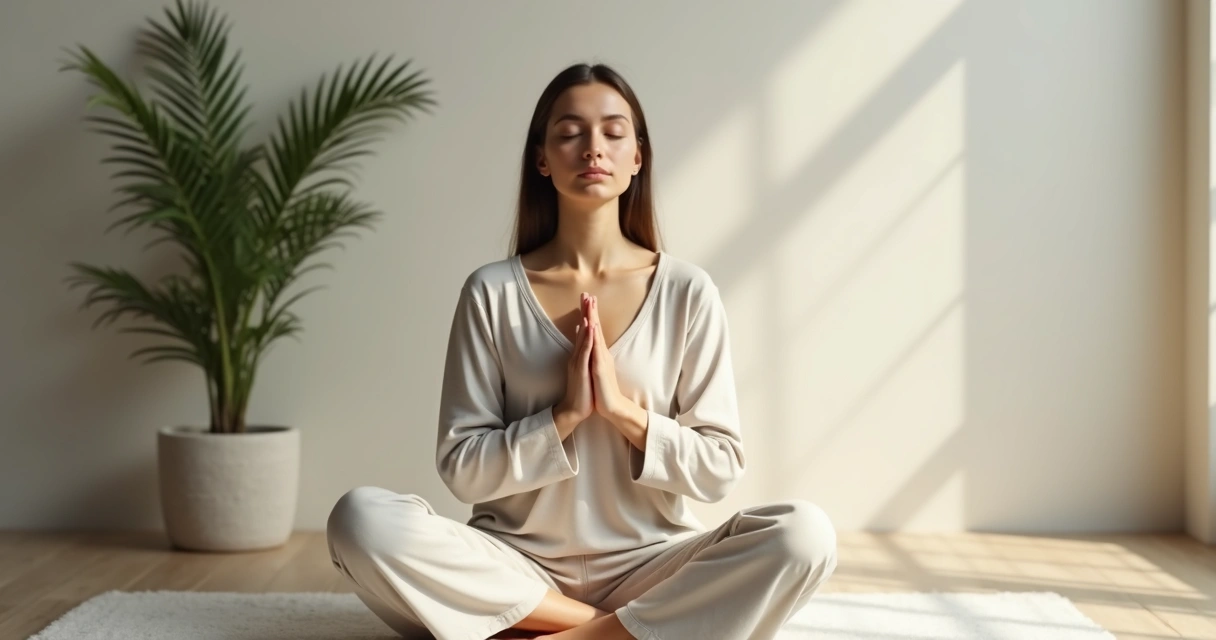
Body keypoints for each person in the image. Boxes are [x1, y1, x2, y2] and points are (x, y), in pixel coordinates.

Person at [326, 62, 838, 640]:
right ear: (542, 158)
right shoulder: (491, 291)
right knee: (360, 519)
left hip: (651, 565)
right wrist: (563, 417)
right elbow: (462, 471)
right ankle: (611, 631)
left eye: (614, 133)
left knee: (806, 534)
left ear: (637, 157)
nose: (593, 148)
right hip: (513, 568)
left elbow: (719, 469)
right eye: (570, 133)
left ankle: (546, 631)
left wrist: (622, 411)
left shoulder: (686, 291)